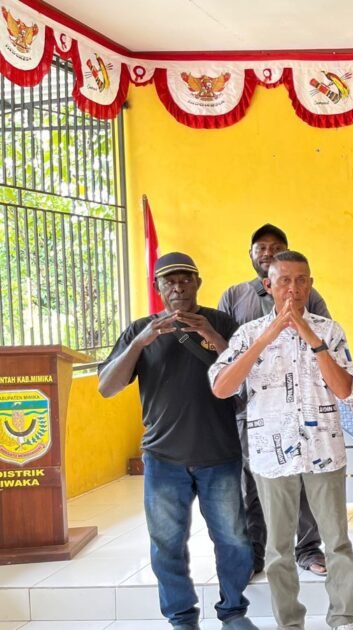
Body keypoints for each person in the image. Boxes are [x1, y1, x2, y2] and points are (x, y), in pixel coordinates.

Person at [98, 252, 257, 630]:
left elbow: (250, 378)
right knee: (166, 544)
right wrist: (140, 343)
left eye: (185, 279)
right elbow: (107, 387)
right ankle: (181, 618)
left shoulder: (224, 324)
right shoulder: (140, 330)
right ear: (158, 288)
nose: (178, 287)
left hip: (219, 453)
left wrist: (212, 336)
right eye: (169, 281)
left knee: (234, 540)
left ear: (198, 283)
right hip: (163, 458)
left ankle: (233, 612)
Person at [209, 250, 353, 630]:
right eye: (284, 281)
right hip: (271, 455)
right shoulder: (248, 334)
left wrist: (308, 335)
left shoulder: (330, 330)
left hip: (324, 451)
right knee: (278, 550)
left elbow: (345, 390)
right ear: (268, 285)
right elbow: (222, 387)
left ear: (310, 284)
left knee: (337, 542)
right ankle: (289, 622)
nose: (293, 289)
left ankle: (343, 618)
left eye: (301, 280)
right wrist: (268, 336)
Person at [217, 223, 330, 577]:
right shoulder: (234, 295)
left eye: (275, 247)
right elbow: (223, 352)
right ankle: (256, 551)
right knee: (253, 482)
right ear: (251, 255)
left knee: (304, 477)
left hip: (301, 406)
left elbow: (323, 340)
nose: (267, 252)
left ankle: (308, 548)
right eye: (260, 247)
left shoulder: (308, 293)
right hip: (252, 408)